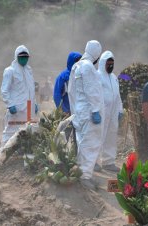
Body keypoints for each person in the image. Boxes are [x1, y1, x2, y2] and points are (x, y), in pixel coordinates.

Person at [68, 40, 103, 190]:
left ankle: (83, 173)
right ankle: (85, 177)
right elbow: (92, 90)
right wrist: (95, 110)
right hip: (89, 111)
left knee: (82, 142)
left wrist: (75, 110)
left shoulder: (77, 66)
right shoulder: (88, 67)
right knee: (90, 144)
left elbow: (71, 91)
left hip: (80, 111)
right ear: (96, 54)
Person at [0, 45, 38, 151]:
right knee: (10, 133)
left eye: (26, 57)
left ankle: (22, 160)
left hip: (28, 110)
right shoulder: (10, 71)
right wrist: (10, 105)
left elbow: (31, 89)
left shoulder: (29, 71)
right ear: (16, 57)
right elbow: (4, 90)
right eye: (21, 57)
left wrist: (34, 103)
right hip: (16, 110)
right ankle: (1, 158)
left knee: (28, 134)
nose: (24, 59)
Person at [95, 50, 123, 172]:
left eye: (112, 63)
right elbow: (94, 95)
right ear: (102, 63)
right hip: (102, 111)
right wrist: (94, 110)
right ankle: (94, 161)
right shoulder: (97, 76)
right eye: (108, 63)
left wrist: (120, 110)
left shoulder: (114, 78)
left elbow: (117, 96)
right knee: (98, 136)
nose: (110, 66)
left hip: (113, 111)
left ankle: (108, 161)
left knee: (111, 136)